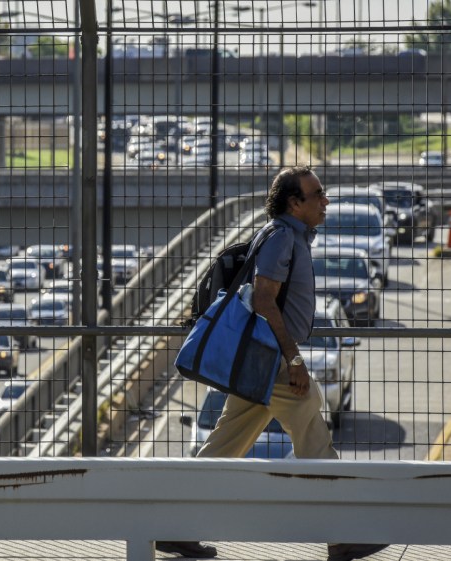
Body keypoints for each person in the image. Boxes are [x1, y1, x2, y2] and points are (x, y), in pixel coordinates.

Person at [157, 167, 388, 561]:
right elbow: (264, 299)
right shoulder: (282, 238)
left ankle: (172, 527)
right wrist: (293, 359)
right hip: (275, 363)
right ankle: (342, 536)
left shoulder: (285, 235)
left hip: (263, 362)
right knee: (314, 438)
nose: (325, 201)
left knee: (223, 447)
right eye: (317, 195)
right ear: (294, 203)